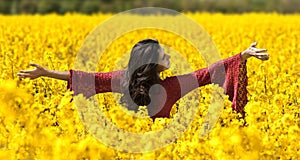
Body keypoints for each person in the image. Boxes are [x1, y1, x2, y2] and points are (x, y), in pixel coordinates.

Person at [17, 39, 269, 119]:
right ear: (152, 62)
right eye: (163, 54)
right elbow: (208, 73)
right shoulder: (172, 87)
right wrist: (241, 57)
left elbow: (86, 79)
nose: (168, 55)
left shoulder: (121, 80)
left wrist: (46, 73)